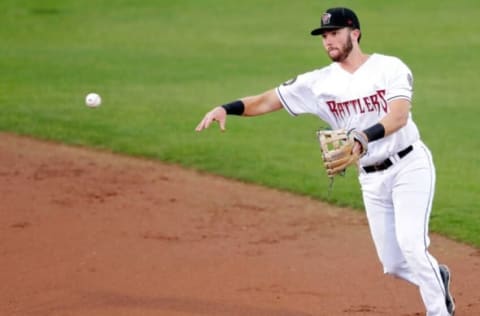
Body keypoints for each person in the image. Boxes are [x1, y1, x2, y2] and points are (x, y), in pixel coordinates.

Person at [195, 7, 455, 316]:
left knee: (411, 246)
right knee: (394, 264)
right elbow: (268, 100)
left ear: (354, 33)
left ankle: (439, 311)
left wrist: (363, 136)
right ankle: (435, 276)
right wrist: (227, 108)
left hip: (409, 166)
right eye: (324, 36)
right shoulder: (317, 83)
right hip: (371, 178)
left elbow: (398, 116)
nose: (328, 40)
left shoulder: (389, 67)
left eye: (334, 33)